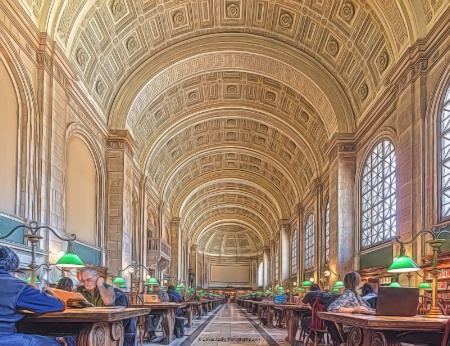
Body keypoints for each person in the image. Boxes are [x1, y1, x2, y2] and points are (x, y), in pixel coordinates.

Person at [0, 245, 65, 346]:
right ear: (12, 269)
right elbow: (56, 305)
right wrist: (50, 292)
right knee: (57, 342)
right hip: (5, 339)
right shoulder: (17, 287)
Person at [327, 272, 371, 342]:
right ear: (356, 282)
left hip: (358, 328)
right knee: (377, 336)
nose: (361, 282)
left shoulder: (355, 294)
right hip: (352, 331)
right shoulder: (348, 293)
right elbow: (331, 308)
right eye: (360, 280)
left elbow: (367, 308)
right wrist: (354, 309)